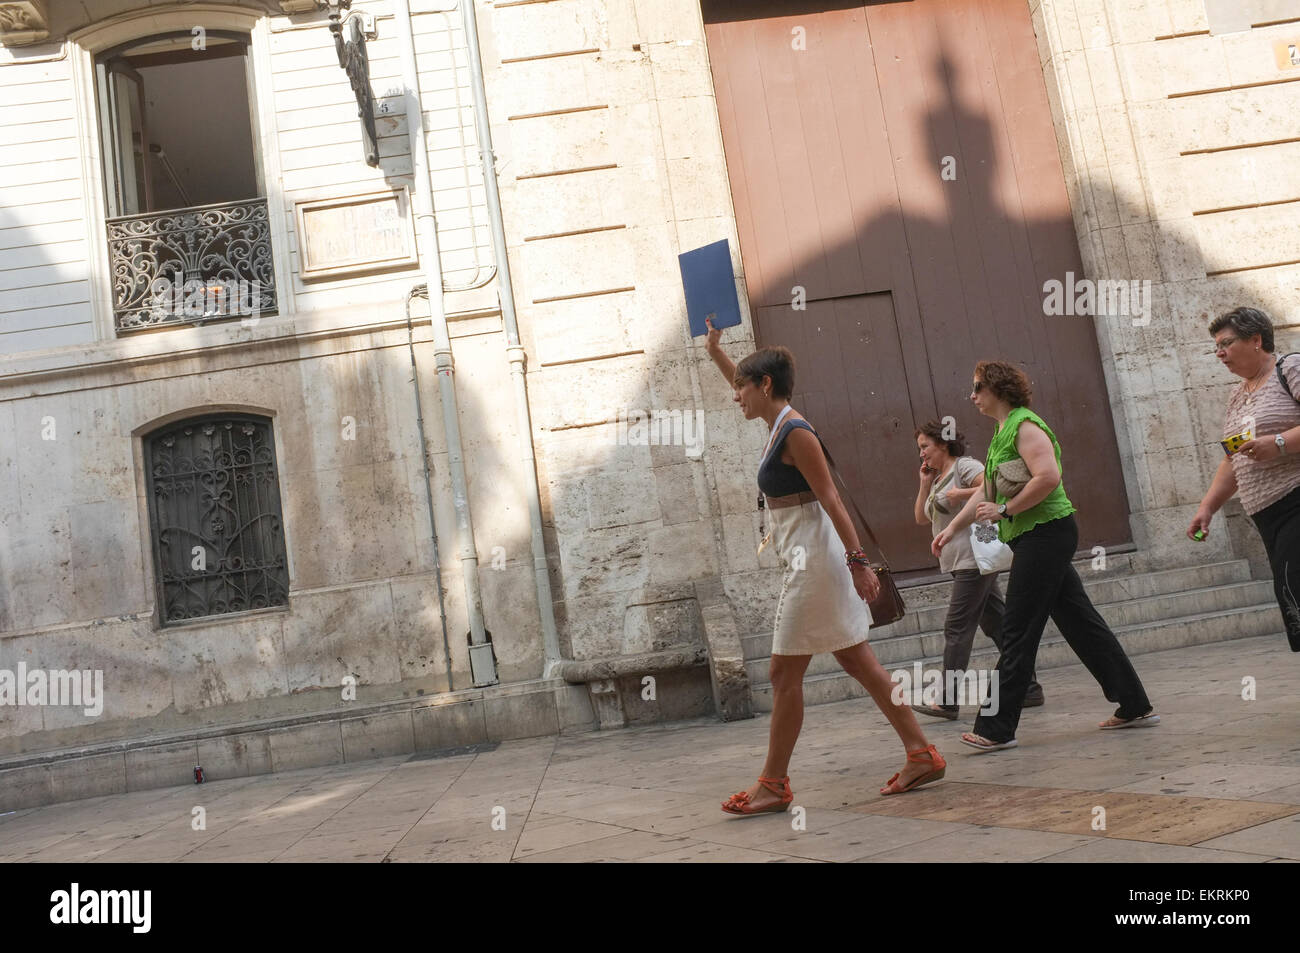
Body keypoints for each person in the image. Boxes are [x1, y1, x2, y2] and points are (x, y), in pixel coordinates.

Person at [704, 319, 945, 806]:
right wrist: (715, 351)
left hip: (816, 564)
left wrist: (858, 563)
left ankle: (773, 784)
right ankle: (921, 753)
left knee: (781, 674)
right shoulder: (778, 425)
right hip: (811, 559)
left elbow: (833, 500)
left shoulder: (796, 432)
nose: (736, 398)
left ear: (765, 385)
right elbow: (740, 383)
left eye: (742, 389)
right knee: (858, 661)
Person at [932, 360, 1158, 751]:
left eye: (977, 388)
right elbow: (986, 490)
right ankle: (1134, 704)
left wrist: (1006, 510)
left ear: (998, 390)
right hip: (1033, 537)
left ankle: (995, 728)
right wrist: (953, 528)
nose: (972, 396)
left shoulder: (1025, 426)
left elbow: (1048, 477)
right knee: (1081, 623)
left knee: (1018, 629)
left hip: (1047, 535)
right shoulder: (1002, 430)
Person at [912, 421, 1043, 718]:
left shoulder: (964, 466)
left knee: (956, 627)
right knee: (997, 624)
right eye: (919, 448)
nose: (921, 454)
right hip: (960, 561)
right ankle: (1030, 687)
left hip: (974, 559)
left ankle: (947, 700)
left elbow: (990, 485)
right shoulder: (936, 478)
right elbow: (921, 518)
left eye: (925, 447)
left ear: (943, 444)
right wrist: (923, 485)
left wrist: (961, 495)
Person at [1189, 306, 1300, 651]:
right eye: (1216, 347)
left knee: (1292, 585)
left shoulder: (1291, 368)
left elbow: (1273, 444)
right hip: (1267, 515)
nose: (1219, 353)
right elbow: (1232, 460)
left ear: (1256, 340)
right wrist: (1208, 507)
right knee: (1290, 594)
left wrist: (1279, 443)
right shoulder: (1238, 396)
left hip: (1296, 498)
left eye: (1226, 343)